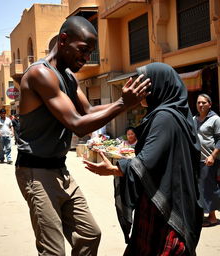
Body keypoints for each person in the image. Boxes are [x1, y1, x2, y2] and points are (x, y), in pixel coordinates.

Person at [15, 16, 150, 256]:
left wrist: (127, 104)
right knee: (53, 251)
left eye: (90, 53)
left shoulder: (67, 76)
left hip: (59, 169)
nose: (86, 58)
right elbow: (78, 125)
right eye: (83, 50)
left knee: (89, 234)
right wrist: (121, 103)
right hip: (35, 172)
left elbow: (88, 112)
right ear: (64, 40)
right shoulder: (41, 75)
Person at [84, 62, 203, 256]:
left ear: (157, 87)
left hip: (165, 211)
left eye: (143, 85)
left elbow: (147, 162)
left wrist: (116, 169)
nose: (136, 89)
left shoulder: (164, 118)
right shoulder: (174, 115)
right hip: (166, 200)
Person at [193, 93, 220, 227]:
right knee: (200, 188)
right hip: (197, 160)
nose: (201, 105)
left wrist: (213, 156)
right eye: (198, 102)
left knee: (209, 187)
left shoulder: (215, 119)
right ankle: (205, 215)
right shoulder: (194, 119)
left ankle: (213, 218)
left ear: (210, 104)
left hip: (209, 160)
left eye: (204, 102)